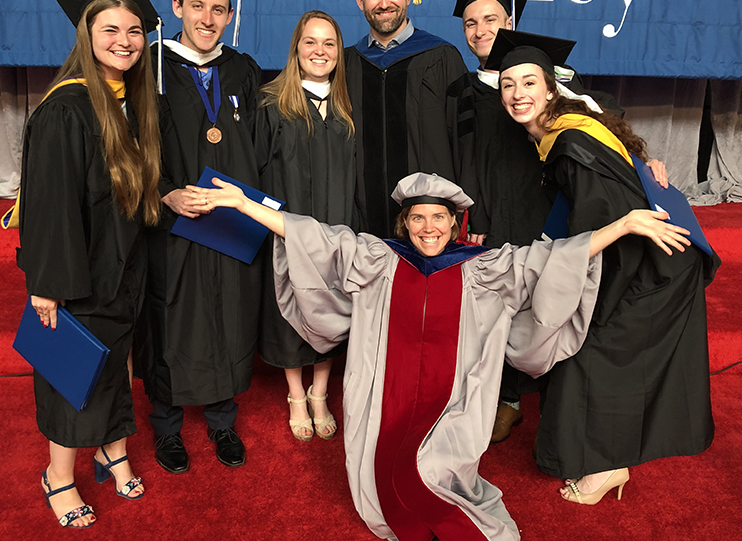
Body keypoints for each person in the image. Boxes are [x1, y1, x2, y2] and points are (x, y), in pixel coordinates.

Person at [185, 171, 691, 540]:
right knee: (384, 484)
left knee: (434, 475)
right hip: (386, 400)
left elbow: (552, 261)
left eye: (439, 218)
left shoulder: (483, 267)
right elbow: (311, 237)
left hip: (454, 403)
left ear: (455, 223)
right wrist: (245, 206)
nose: (429, 228)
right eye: (419, 218)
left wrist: (622, 226)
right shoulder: (378, 260)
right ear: (405, 223)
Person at [487, 29, 719, 505]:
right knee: (591, 352)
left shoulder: (571, 145)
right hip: (650, 256)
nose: (517, 94)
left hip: (651, 267)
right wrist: (646, 164)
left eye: (529, 83)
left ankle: (608, 468)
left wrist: (587, 291)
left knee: (590, 354)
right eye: (508, 84)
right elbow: (625, 174)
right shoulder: (572, 127)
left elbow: (609, 224)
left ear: (551, 88)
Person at [448, 0, 669, 444]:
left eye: (491, 19)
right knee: (501, 307)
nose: (481, 30)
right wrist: (477, 218)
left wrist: (645, 157)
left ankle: (560, 401)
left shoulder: (555, 80)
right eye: (470, 23)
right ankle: (506, 400)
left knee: (555, 304)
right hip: (498, 212)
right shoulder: (466, 89)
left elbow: (602, 123)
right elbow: (464, 159)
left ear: (511, 20)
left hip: (553, 210)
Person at [18, 0, 162, 528]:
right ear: (87, 34)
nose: (124, 41)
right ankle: (58, 475)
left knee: (117, 361)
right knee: (69, 369)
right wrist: (46, 287)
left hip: (123, 263)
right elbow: (50, 206)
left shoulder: (129, 100)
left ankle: (111, 448)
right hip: (78, 269)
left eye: (133, 31)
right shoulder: (65, 109)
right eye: (111, 30)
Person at [138, 0, 262, 473]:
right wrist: (164, 193)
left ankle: (221, 420)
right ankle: (166, 428)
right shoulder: (148, 65)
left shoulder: (244, 69)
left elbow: (261, 147)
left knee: (227, 316)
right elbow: (127, 150)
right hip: (174, 225)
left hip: (231, 227)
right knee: (172, 317)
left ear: (230, 14)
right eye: (197, 7)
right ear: (177, 6)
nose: (207, 19)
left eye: (219, 9)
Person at [253, 11, 355, 441]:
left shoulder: (348, 107)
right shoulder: (271, 103)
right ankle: (296, 392)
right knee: (291, 308)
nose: (319, 51)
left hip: (336, 229)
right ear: (296, 47)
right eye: (310, 42)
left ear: (338, 53)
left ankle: (321, 390)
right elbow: (257, 171)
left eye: (329, 43)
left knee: (331, 308)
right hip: (288, 229)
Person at [343, 0, 468, 237]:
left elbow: (464, 140)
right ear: (360, 1)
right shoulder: (348, 62)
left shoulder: (441, 57)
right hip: (362, 215)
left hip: (428, 220)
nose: (384, 3)